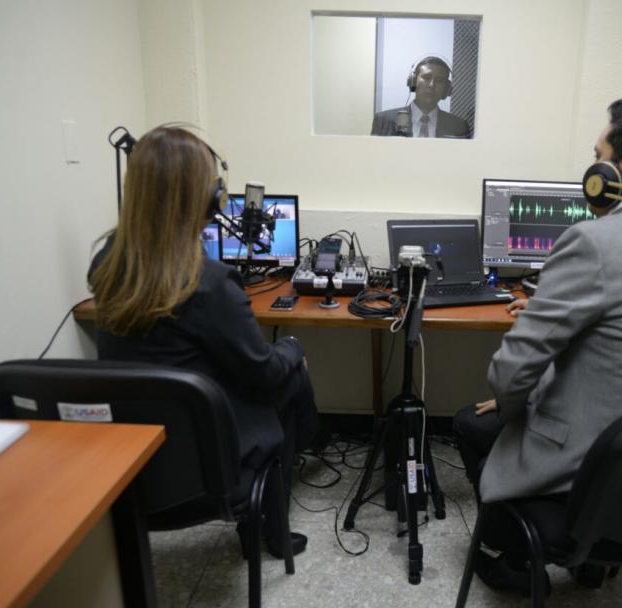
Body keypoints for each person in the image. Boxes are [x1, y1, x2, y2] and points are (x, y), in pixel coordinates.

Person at [453, 97, 622, 593]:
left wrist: (518, 403)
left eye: (597, 152)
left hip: (590, 466)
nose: (591, 163)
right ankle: (591, 564)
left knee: (472, 421)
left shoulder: (593, 241)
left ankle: (516, 558)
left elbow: (508, 376)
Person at [88, 125, 318, 558]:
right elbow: (263, 372)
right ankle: (269, 528)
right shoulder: (209, 283)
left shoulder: (106, 262)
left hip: (136, 461)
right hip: (211, 459)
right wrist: (294, 347)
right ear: (207, 199)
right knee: (291, 375)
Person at [371, 56, 471, 138]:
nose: (432, 85)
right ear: (413, 81)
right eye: (426, 77)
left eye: (439, 80)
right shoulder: (383, 121)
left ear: (446, 89)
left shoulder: (459, 127)